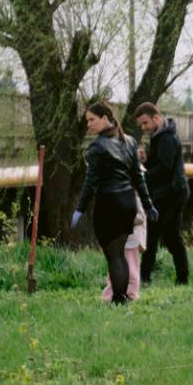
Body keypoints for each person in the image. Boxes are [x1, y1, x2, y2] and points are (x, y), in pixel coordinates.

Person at [74, 100, 153, 307]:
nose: (88, 125)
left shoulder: (97, 146)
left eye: (92, 120)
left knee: (114, 256)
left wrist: (80, 209)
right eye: (87, 121)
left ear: (105, 118)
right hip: (128, 203)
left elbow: (90, 183)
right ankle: (122, 297)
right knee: (120, 254)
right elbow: (138, 178)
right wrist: (147, 204)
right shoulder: (130, 141)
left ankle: (119, 299)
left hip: (109, 204)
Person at [135, 102, 190, 287]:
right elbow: (160, 163)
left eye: (145, 123)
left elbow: (165, 169)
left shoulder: (166, 138)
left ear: (156, 118)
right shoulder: (160, 136)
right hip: (168, 193)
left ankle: (147, 278)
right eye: (141, 125)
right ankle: (180, 278)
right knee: (167, 237)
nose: (143, 128)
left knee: (158, 236)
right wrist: (146, 160)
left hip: (171, 194)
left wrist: (142, 176)